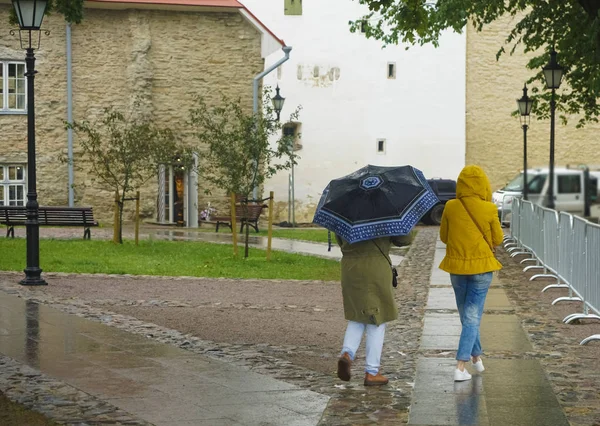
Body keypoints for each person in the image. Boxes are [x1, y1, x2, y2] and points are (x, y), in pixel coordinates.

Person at [439, 165, 503, 382]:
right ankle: (460, 366)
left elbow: (444, 237)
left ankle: (476, 359)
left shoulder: (450, 206)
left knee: (466, 315)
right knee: (472, 317)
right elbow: (498, 239)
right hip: (482, 269)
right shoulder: (489, 209)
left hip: (457, 268)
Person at [336, 232, 414, 386]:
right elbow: (404, 239)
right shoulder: (383, 214)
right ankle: (372, 372)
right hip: (375, 269)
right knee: (377, 320)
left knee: (357, 315)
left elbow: (340, 240)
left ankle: (347, 353)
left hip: (350, 268)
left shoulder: (344, 212)